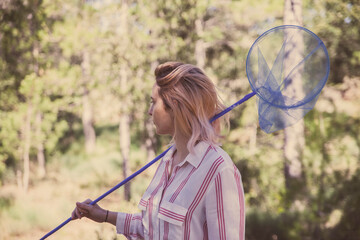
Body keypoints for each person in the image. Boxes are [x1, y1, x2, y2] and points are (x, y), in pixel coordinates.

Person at [72, 62, 245, 240]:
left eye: (154, 102)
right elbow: (152, 228)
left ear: (175, 106)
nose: (149, 111)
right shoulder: (168, 160)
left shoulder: (218, 169)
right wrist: (104, 216)